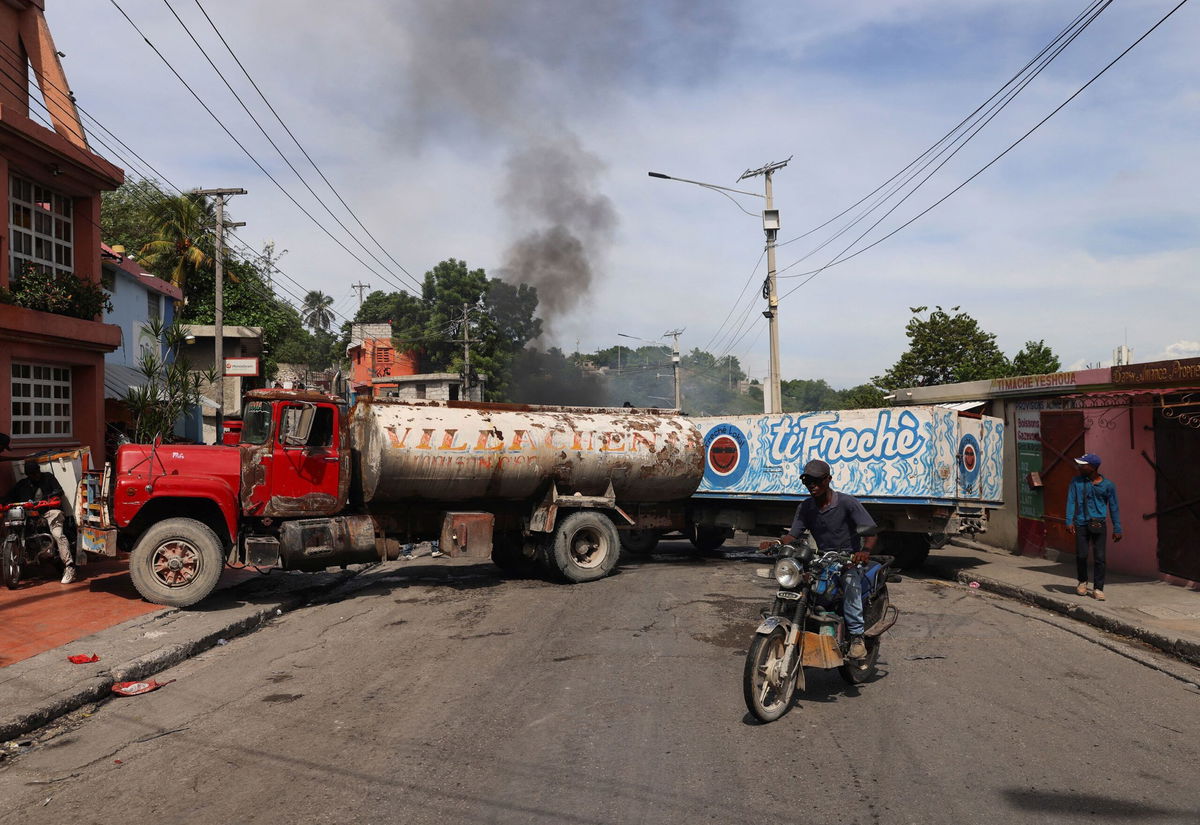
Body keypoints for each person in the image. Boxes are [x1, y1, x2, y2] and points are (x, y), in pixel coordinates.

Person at [759, 459, 877, 659]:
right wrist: (777, 543)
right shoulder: (806, 507)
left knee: (850, 584)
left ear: (828, 479)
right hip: (821, 558)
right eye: (806, 480)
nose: (812, 485)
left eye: (817, 480)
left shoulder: (847, 503)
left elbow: (871, 532)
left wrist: (864, 551)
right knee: (798, 582)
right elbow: (793, 535)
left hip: (847, 559)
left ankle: (857, 636)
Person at [5, 459, 76, 584]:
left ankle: (69, 567)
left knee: (57, 534)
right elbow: (9, 496)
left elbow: (59, 491)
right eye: (31, 473)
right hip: (30, 516)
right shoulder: (22, 484)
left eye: (36, 472)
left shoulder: (48, 478)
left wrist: (48, 499)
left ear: (39, 470)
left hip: (51, 512)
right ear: (27, 474)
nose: (35, 475)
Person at [1066, 453, 1122, 601]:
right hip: (1081, 523)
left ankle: (1098, 588)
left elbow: (1114, 507)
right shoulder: (1076, 482)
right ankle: (1082, 581)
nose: (1079, 467)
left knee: (1100, 558)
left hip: (1099, 524)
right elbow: (1071, 501)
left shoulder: (1108, 485)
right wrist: (1069, 520)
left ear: (1092, 467)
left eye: (1083, 465)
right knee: (1082, 555)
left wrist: (1117, 528)